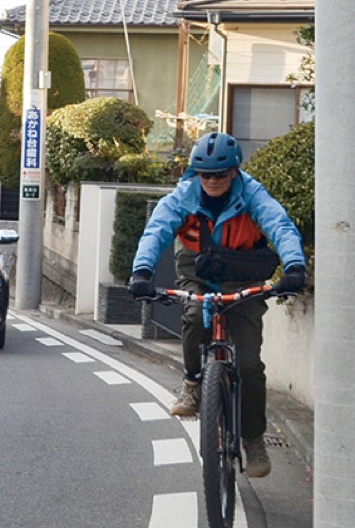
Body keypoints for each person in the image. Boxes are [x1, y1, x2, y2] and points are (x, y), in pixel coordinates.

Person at [127, 131, 306, 478]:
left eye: (220, 174)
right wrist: (141, 271)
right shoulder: (183, 195)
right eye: (204, 174)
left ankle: (253, 438)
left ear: (235, 171)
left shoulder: (252, 193)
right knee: (195, 315)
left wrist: (295, 266)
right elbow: (157, 231)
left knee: (250, 365)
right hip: (196, 271)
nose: (211, 181)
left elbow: (279, 225)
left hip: (242, 277)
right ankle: (193, 383)